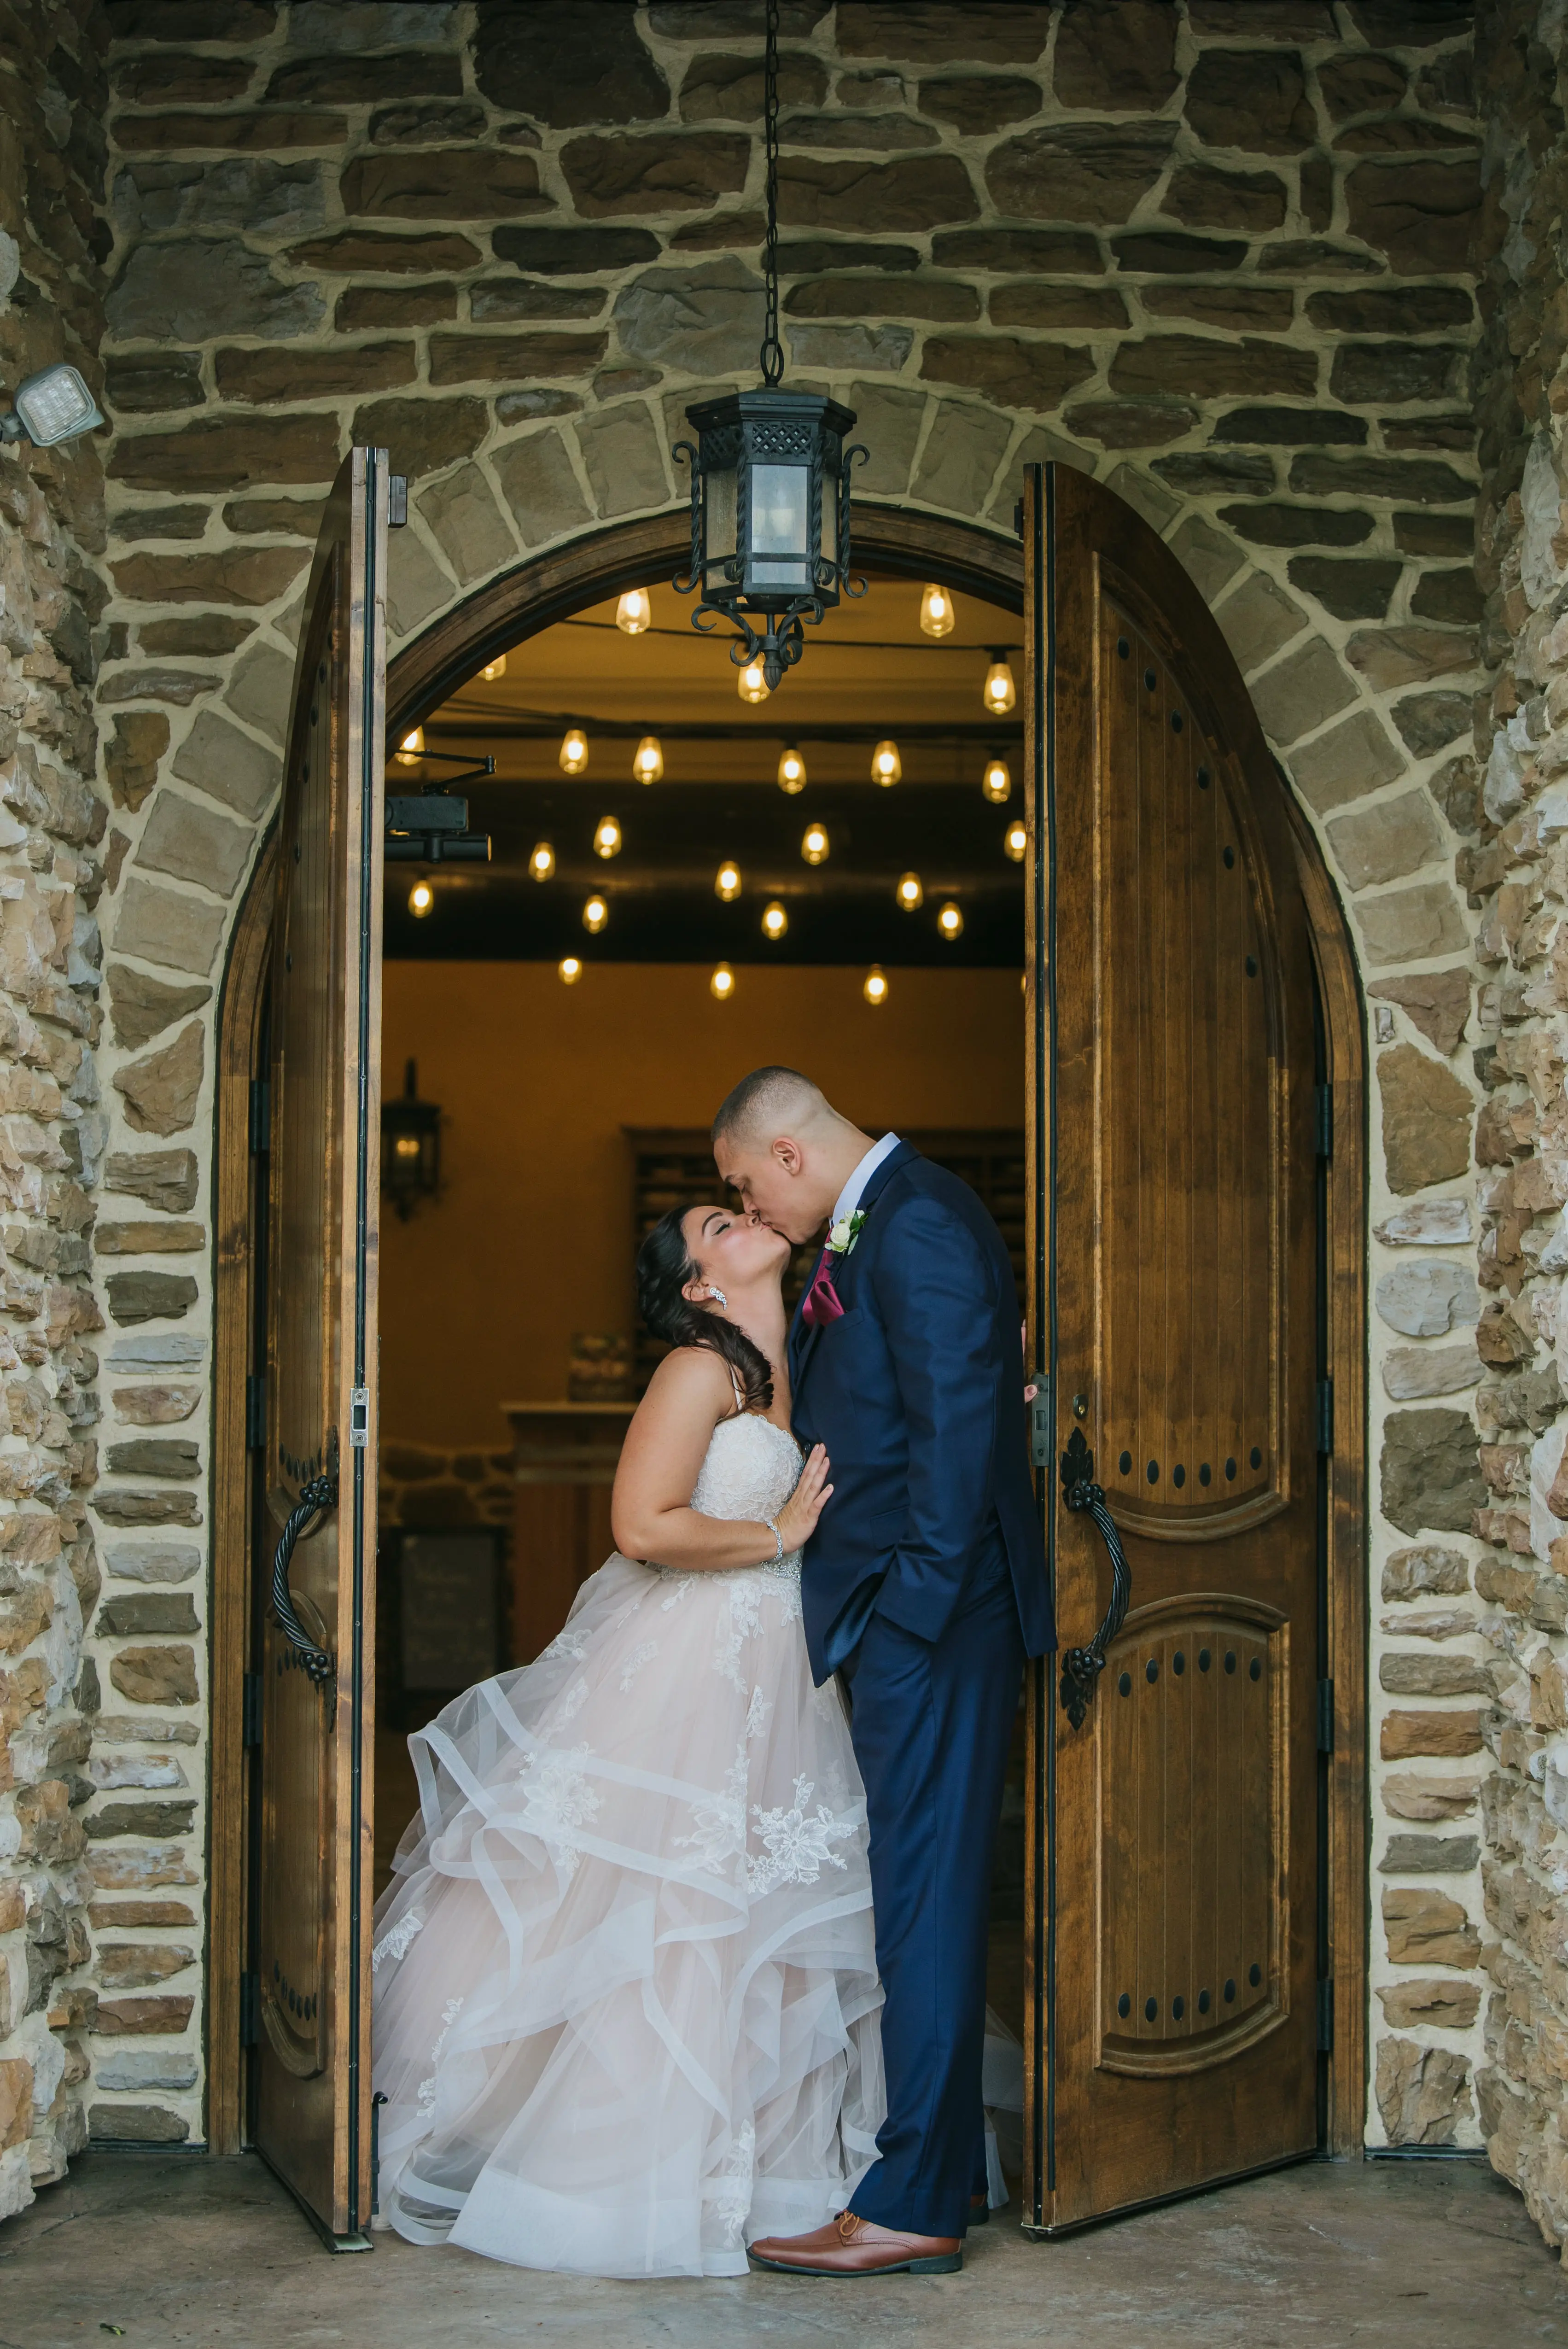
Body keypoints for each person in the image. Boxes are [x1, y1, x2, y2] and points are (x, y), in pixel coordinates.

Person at [370, 1201, 886, 2278]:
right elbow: (642, 1525)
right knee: (672, 1912)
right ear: (698, 1284)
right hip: (693, 1667)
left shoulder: (788, 1359)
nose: (746, 1216)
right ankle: (612, 2186)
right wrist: (776, 1532)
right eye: (720, 1221)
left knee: (769, 1914)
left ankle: (770, 2183)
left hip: (780, 1672)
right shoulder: (697, 1370)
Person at [714, 1069, 1053, 2279]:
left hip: (933, 1625)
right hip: (912, 1619)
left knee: (923, 1900)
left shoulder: (912, 1220)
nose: (752, 1207)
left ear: (791, 1155)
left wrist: (905, 1608)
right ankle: (945, 2166)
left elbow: (960, 1427)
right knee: (917, 1893)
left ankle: (911, 2200)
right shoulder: (893, 1212)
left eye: (749, 1185)